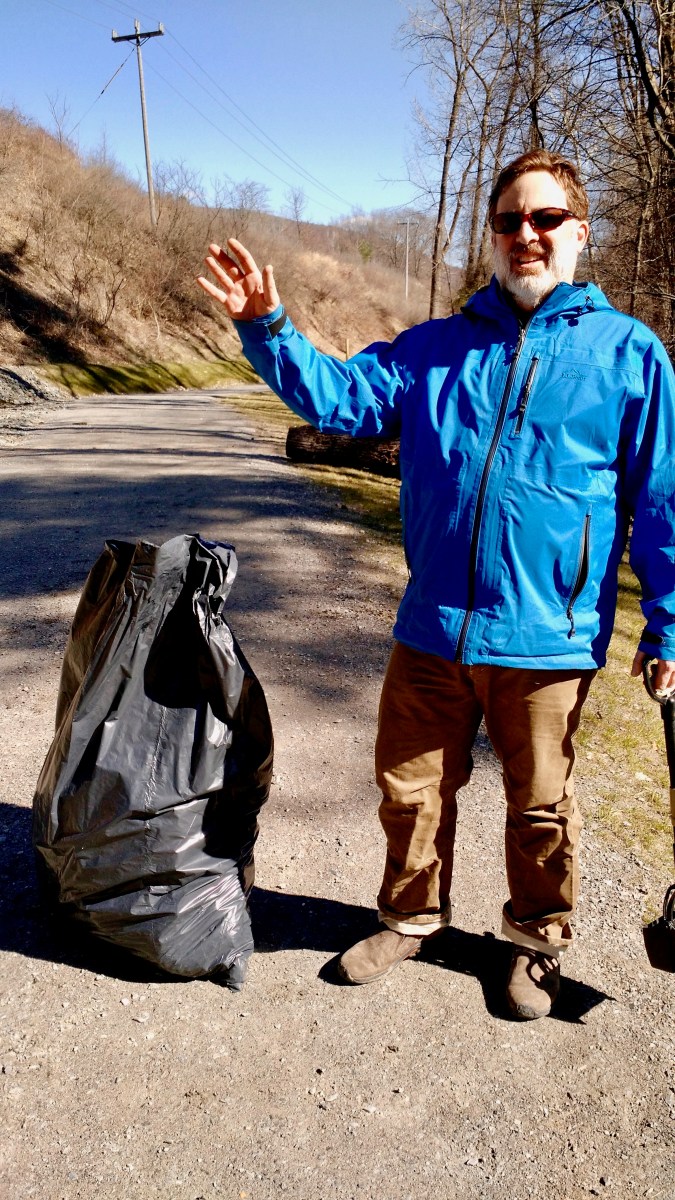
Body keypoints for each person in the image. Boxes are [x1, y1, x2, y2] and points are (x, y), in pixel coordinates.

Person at [197, 149, 675, 1020]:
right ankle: (410, 916)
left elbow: (663, 496)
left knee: (540, 808)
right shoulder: (436, 349)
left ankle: (534, 942)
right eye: (507, 221)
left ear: (579, 232)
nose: (524, 234)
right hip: (433, 625)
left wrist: (669, 623)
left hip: (550, 635)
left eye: (543, 219)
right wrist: (269, 326)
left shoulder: (628, 355)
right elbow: (342, 400)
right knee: (409, 790)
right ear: (491, 236)